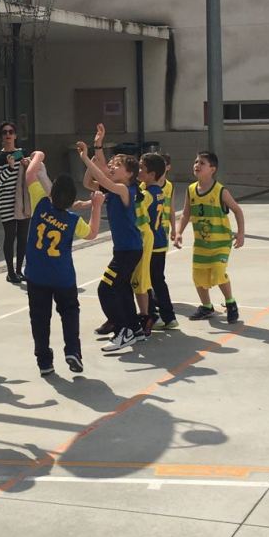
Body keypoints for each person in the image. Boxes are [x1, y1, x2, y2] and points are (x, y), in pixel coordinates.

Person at [24, 150, 103, 375]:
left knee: (40, 319)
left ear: (51, 193)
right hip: (63, 277)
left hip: (36, 275)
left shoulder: (41, 204)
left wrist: (39, 156)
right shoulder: (72, 220)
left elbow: (30, 175)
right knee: (69, 313)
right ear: (72, 201)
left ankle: (44, 362)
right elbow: (92, 233)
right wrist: (96, 206)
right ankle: (73, 351)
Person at [78, 138, 143, 352]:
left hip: (129, 250)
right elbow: (89, 182)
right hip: (125, 249)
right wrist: (95, 153)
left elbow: (103, 178)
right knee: (122, 288)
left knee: (105, 288)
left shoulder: (124, 190)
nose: (112, 167)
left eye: (118, 165)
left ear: (129, 174)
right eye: (112, 164)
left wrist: (86, 158)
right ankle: (134, 328)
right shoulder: (113, 190)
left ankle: (123, 331)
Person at [174, 151, 245, 323]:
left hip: (220, 243)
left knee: (219, 273)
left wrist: (241, 233)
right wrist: (178, 232)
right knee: (198, 276)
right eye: (196, 162)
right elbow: (186, 213)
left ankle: (231, 303)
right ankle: (206, 306)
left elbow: (237, 210)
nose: (197, 165)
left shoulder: (220, 191)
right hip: (201, 244)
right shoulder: (191, 190)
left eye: (202, 163)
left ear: (212, 169)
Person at [137, 152, 178, 332]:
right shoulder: (159, 191)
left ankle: (153, 315)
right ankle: (168, 316)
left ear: (152, 174)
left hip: (151, 243)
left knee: (147, 280)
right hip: (160, 240)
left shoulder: (146, 194)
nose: (138, 171)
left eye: (141, 168)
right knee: (158, 280)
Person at [0, 121, 30, 284]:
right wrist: (9, 167)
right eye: (4, 132)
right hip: (7, 200)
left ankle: (19, 270)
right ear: (1, 137)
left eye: (11, 132)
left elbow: (30, 174)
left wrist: (27, 165)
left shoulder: (22, 153)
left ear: (15, 135)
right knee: (10, 236)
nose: (8, 135)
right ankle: (10, 272)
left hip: (23, 200)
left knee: (22, 237)